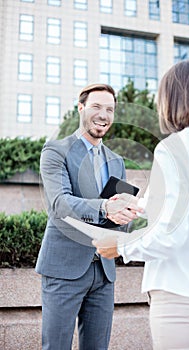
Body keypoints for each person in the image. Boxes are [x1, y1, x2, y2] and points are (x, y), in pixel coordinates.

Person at [93, 61, 189, 350]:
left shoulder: (172, 148)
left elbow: (171, 235)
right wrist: (142, 204)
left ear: (173, 99)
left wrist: (120, 247)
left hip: (183, 298)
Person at [35, 83, 140, 350]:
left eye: (109, 109)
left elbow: (118, 216)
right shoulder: (56, 151)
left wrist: (126, 216)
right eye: (96, 107)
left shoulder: (116, 160)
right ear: (80, 108)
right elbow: (60, 204)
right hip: (64, 270)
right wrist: (106, 207)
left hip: (103, 273)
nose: (103, 115)